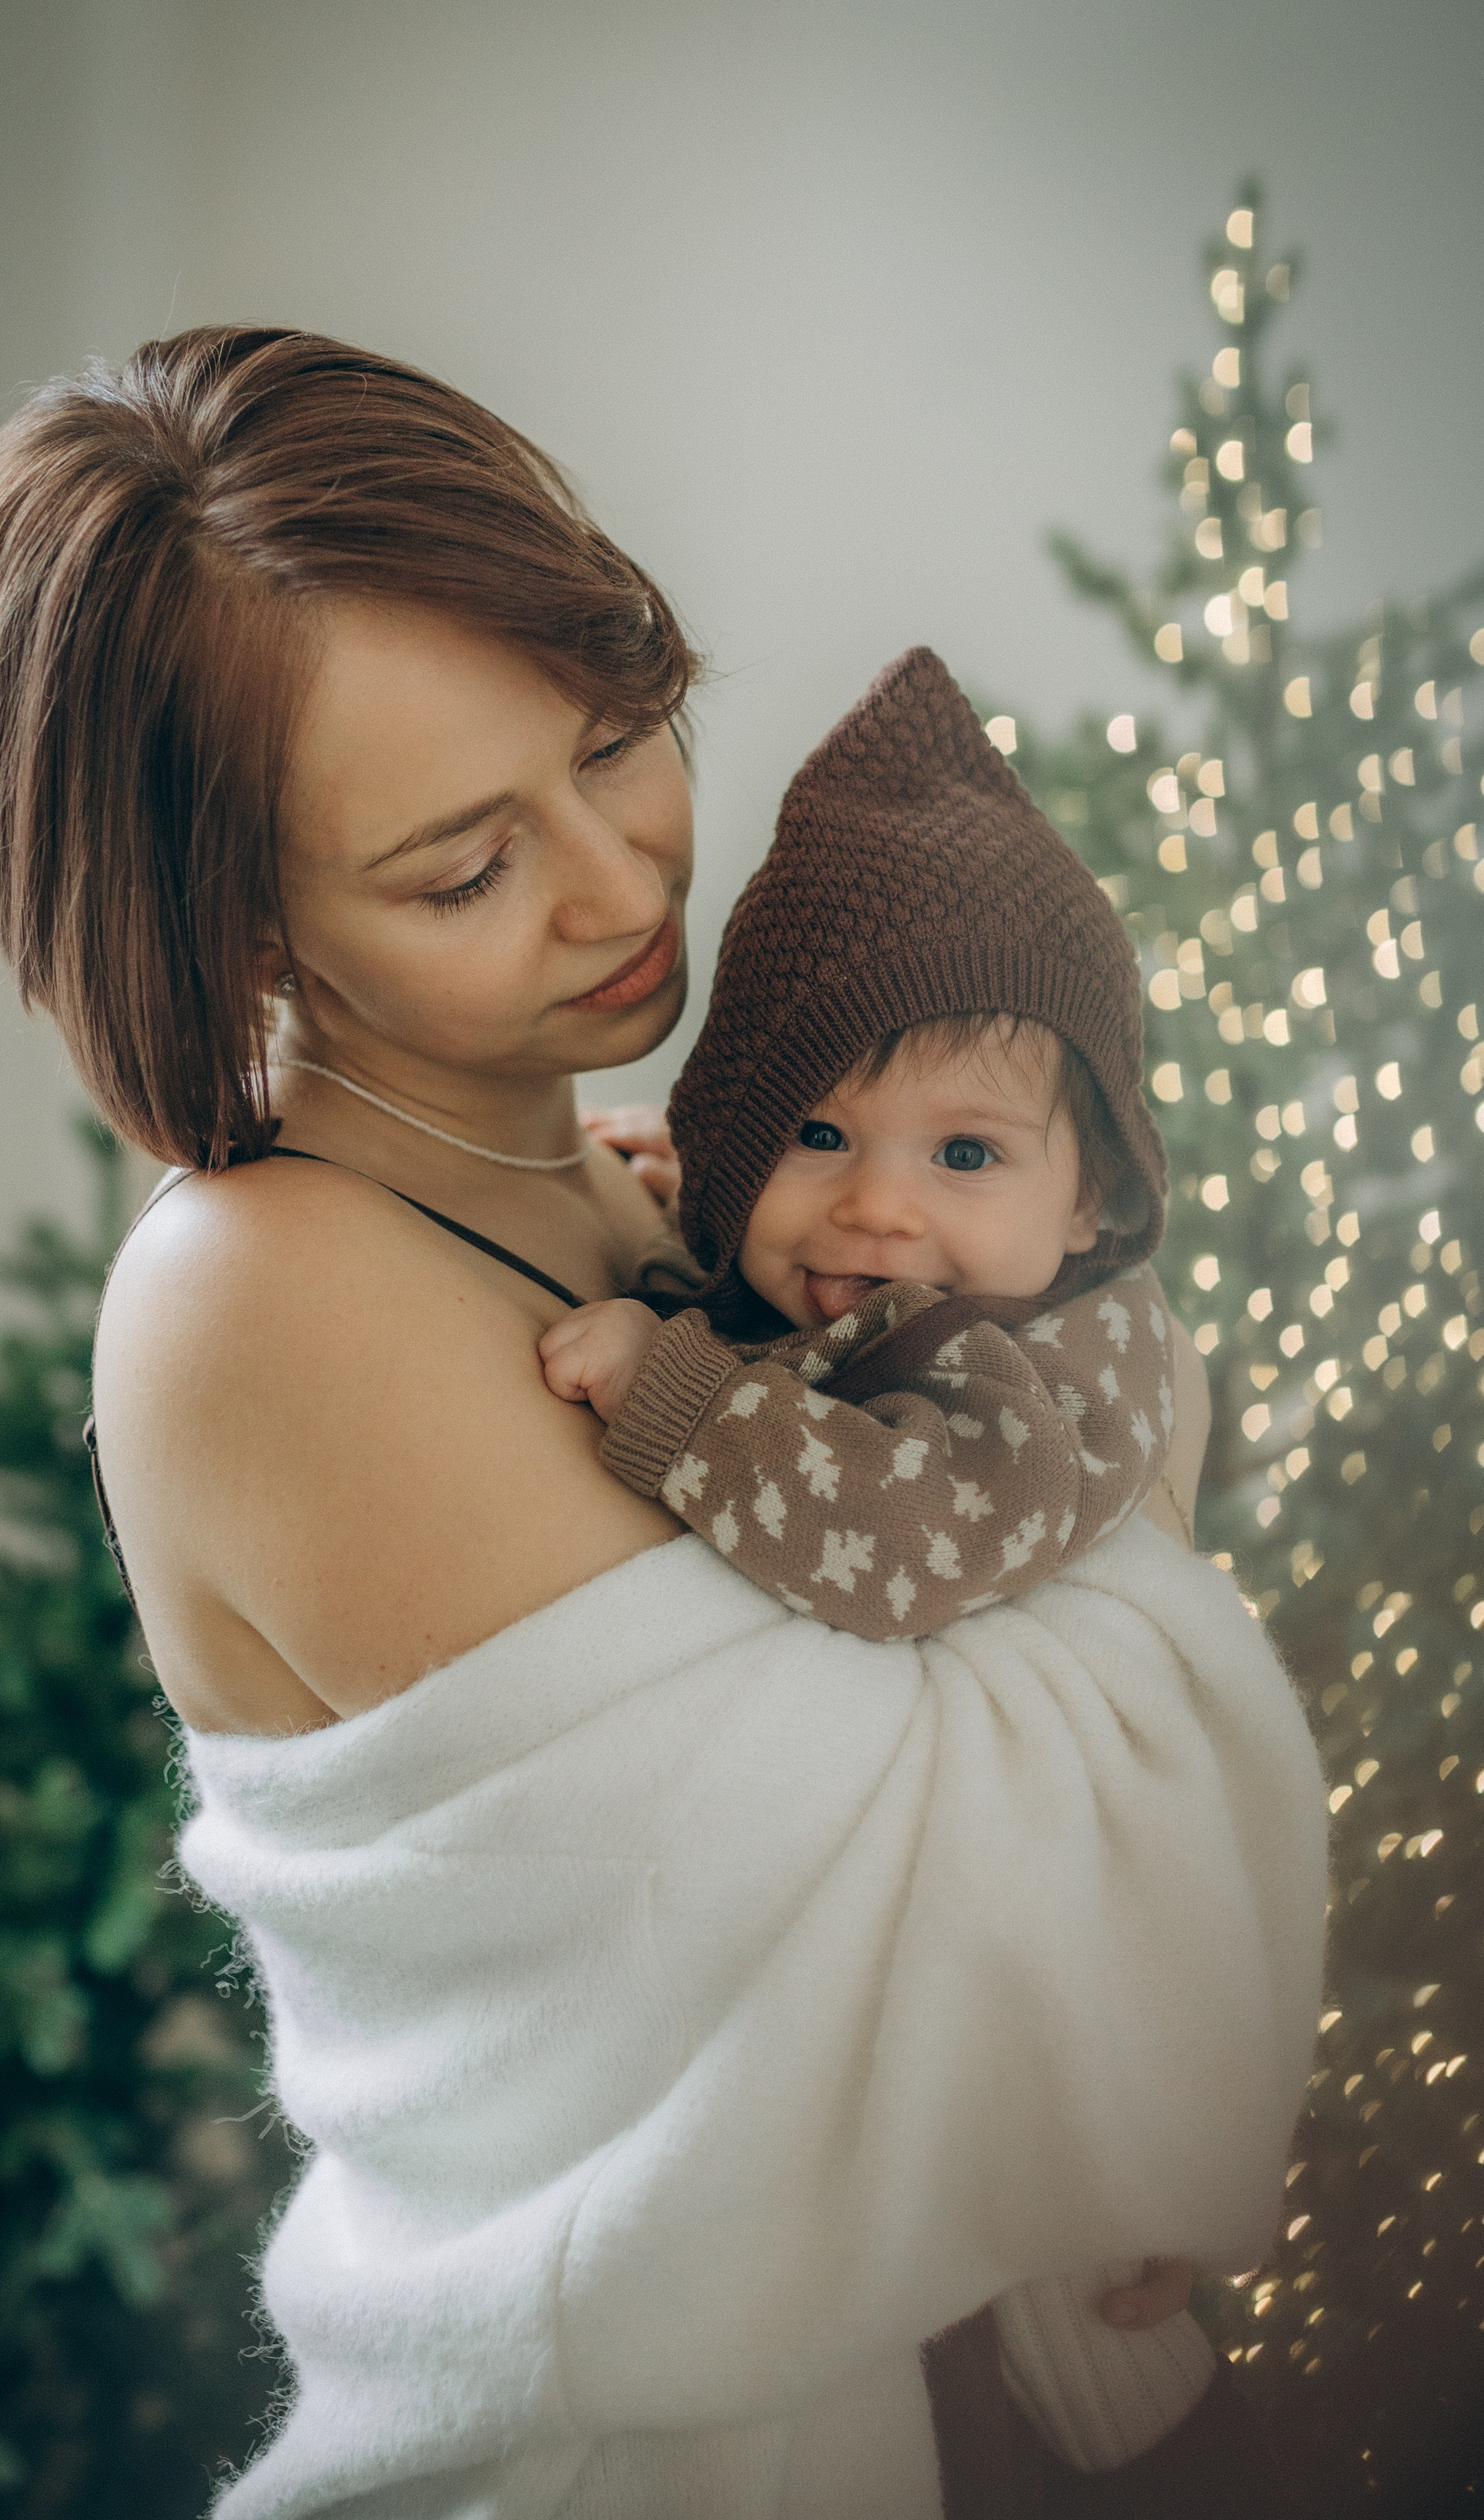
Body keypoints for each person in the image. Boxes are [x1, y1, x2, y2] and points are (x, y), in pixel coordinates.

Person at [0, 325, 1326, 2519]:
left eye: (620, 738)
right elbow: (917, 1864)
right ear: (230, 921)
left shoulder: (644, 1172)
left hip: (1033, 2403)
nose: (625, 882)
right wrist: (1136, 1447)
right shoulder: (259, 1293)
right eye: (463, 868)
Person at [539, 641, 1262, 2485]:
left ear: (1088, 1202)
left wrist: (681, 1387)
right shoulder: (917, 1278)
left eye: (963, 1149)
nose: (876, 1206)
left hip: (1066, 2021)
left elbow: (896, 1543)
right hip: (920, 2046)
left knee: (1056, 2368)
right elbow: (824, 1350)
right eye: (811, 1130)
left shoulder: (1063, 1368)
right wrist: (699, 1234)